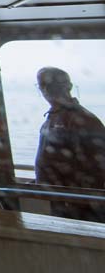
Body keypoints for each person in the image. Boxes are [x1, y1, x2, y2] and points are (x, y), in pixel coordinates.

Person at [34, 66, 105, 221]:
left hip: (80, 206)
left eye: (52, 84)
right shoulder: (53, 117)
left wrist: (79, 201)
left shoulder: (85, 120)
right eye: (43, 85)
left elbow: (99, 168)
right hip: (60, 201)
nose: (46, 89)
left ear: (69, 86)